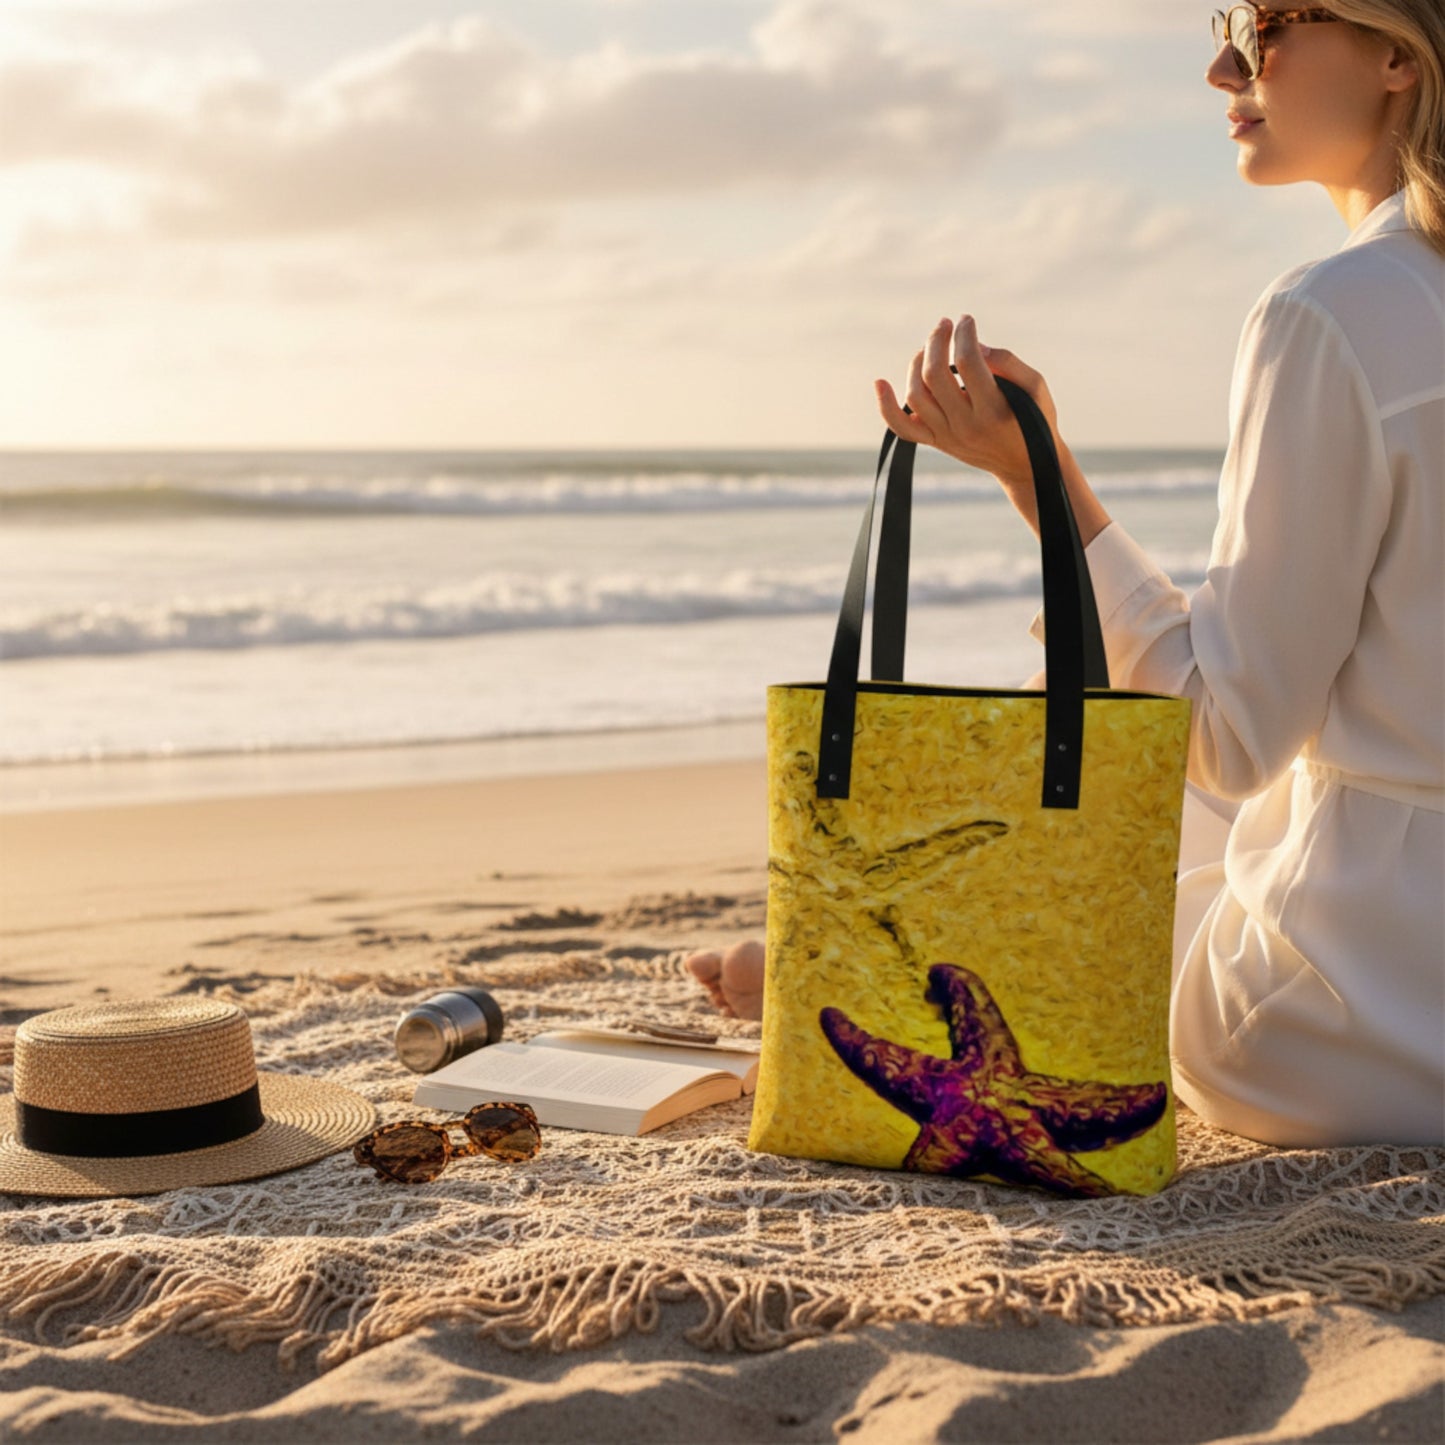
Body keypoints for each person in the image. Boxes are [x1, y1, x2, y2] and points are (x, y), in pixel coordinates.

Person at [690, 0, 1445, 1148]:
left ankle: (833, 972)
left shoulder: (1330, 313)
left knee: (1126, 837)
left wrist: (1039, 479)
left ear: (1398, 52)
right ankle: (821, 959)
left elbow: (1228, 737)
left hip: (1362, 1025)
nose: (1218, 65)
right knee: (1177, 843)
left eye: (1259, 23)